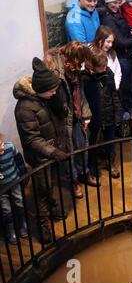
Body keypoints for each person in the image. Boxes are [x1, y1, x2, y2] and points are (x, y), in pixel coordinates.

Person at [14, 57, 70, 244]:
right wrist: (53, 152)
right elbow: (32, 139)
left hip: (53, 149)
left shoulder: (45, 99)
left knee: (50, 183)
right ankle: (43, 222)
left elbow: (57, 119)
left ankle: (51, 205)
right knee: (42, 188)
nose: (55, 92)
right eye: (52, 90)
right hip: (41, 156)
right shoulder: (24, 108)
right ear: (41, 90)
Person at [44, 40, 96, 198]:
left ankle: (85, 173)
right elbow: (53, 100)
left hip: (76, 116)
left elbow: (80, 94)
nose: (81, 65)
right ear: (72, 57)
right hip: (62, 118)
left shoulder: (75, 69)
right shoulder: (55, 71)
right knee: (69, 152)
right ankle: (73, 180)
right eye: (79, 61)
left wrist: (85, 114)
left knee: (82, 145)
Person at [100, 0, 132, 135]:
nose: (117, 5)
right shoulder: (108, 19)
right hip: (123, 59)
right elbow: (121, 42)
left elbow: (128, 32)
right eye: (114, 2)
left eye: (119, 2)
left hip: (129, 58)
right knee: (123, 93)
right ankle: (125, 124)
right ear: (107, 3)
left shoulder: (118, 13)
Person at [81, 49, 123, 179]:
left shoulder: (108, 73)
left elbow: (114, 95)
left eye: (105, 66)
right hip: (94, 117)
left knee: (110, 141)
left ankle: (111, 163)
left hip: (109, 113)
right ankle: (92, 166)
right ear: (92, 66)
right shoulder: (85, 78)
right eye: (101, 67)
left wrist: (117, 114)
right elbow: (84, 100)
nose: (105, 69)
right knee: (93, 143)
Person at [0, 134, 28, 244]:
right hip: (2, 190)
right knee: (6, 210)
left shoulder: (9, 147)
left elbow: (19, 161)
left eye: (1, 144)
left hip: (15, 182)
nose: (1, 148)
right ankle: (11, 231)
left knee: (19, 203)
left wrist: (24, 176)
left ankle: (22, 225)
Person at [90, 25, 122, 90]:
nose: (111, 45)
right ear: (100, 40)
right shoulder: (89, 51)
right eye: (108, 42)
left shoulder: (112, 54)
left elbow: (117, 72)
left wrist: (115, 87)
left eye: (112, 42)